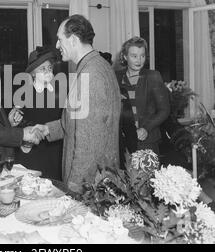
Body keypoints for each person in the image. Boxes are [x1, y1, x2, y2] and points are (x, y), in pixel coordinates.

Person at [34, 14, 121, 193]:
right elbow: (80, 122)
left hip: (89, 184)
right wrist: (48, 129)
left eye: (60, 40)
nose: (57, 45)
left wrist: (74, 188)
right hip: (98, 177)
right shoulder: (97, 66)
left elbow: (88, 142)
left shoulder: (90, 75)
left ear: (73, 40)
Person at [115, 36, 170, 167]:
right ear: (124, 56)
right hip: (123, 143)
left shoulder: (153, 76)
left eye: (142, 56)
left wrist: (146, 128)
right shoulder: (116, 77)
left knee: (146, 184)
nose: (139, 60)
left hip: (147, 142)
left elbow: (164, 110)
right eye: (134, 56)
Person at [15, 46, 64, 181]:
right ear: (33, 73)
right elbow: (18, 121)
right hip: (34, 148)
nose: (48, 72)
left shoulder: (60, 92)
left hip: (56, 147)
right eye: (43, 69)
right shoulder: (23, 93)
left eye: (49, 68)